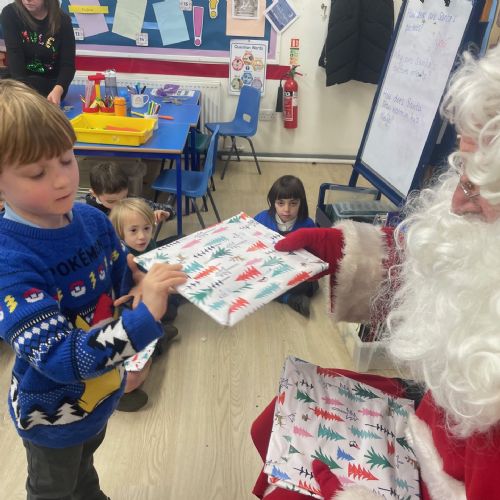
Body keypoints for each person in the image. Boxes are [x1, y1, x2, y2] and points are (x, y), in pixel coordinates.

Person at [251, 45, 500, 500]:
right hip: (431, 423)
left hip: (441, 477)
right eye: (461, 173)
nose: (455, 203)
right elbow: (448, 273)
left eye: (477, 190)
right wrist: (333, 247)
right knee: (273, 420)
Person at [0, 79, 187, 499]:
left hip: (100, 396)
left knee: (85, 473)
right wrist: (146, 317)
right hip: (52, 419)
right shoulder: (9, 262)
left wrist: (140, 281)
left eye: (66, 159)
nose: (62, 180)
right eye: (37, 173)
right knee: (54, 488)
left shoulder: (92, 220)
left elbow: (120, 275)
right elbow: (60, 358)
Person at [109, 198, 180, 412]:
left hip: (146, 303)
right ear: (119, 233)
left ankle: (158, 339)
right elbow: (122, 296)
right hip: (128, 310)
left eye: (147, 229)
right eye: (133, 230)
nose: (142, 236)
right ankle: (122, 394)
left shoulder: (148, 244)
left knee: (169, 311)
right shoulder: (121, 257)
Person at [254, 175, 317, 317]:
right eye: (280, 203)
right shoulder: (261, 218)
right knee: (253, 278)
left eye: (293, 203)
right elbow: (249, 242)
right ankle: (288, 299)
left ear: (301, 203)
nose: (287, 209)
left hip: (293, 271)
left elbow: (313, 256)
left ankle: (286, 296)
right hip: (267, 268)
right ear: (273, 202)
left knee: (310, 285)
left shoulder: (308, 224)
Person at [0, 0, 76, 105]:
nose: (27, 0)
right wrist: (21, 91)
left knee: (36, 84)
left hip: (50, 84)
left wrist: (58, 89)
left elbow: (68, 64)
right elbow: (14, 54)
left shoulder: (63, 20)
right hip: (19, 79)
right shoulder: (10, 13)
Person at [85, 160, 175, 224]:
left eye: (123, 198)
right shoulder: (87, 213)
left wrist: (165, 214)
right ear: (94, 194)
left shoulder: (132, 201)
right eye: (111, 201)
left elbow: (170, 209)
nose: (120, 204)